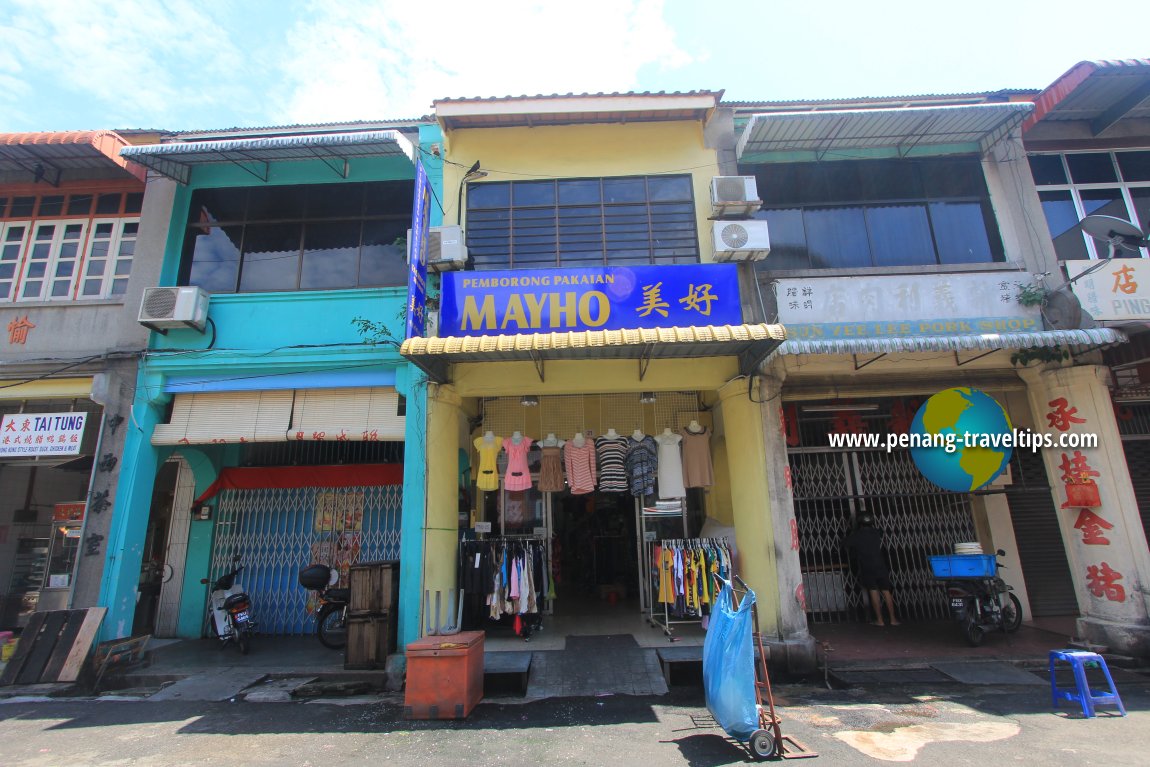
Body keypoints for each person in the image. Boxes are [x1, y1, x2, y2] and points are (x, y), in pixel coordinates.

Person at [846, 515, 899, 626]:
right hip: (880, 565)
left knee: (873, 591)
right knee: (886, 591)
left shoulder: (857, 535)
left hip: (867, 566)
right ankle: (893, 619)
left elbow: (845, 543)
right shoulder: (877, 532)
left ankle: (880, 620)